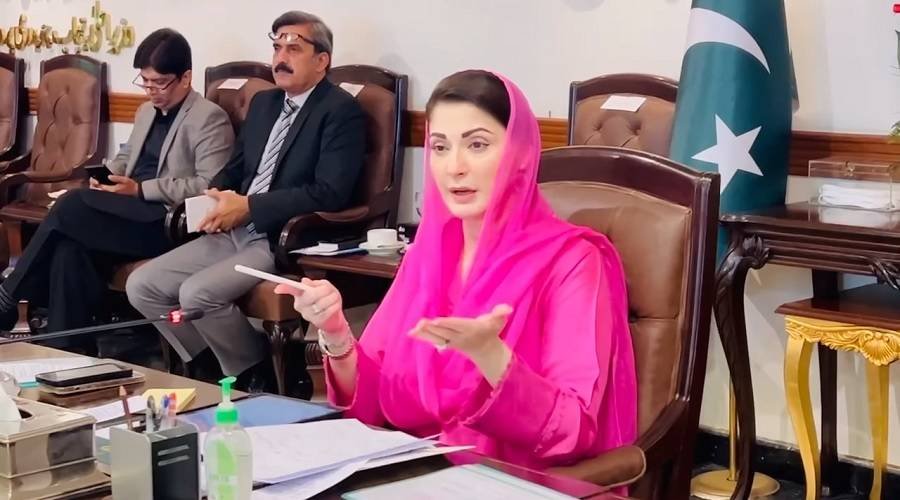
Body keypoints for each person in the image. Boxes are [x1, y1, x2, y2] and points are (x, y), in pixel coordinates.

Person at [274, 70, 637, 470]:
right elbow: (372, 401)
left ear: (519, 154)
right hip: (413, 469)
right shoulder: (426, 254)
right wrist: (336, 331)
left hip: (510, 480)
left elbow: (573, 428)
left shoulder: (572, 261)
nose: (454, 167)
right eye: (440, 147)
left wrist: (491, 356)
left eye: (477, 145)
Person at [126, 11, 366, 391]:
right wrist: (216, 197)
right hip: (232, 227)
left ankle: (258, 372)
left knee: (196, 293)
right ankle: (210, 365)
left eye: (293, 48)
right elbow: (235, 169)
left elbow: (329, 192)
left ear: (322, 60)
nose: (280, 57)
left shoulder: (339, 111)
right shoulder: (265, 103)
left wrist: (251, 207)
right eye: (277, 47)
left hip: (280, 237)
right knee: (143, 285)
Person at [0, 28, 233, 337]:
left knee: (71, 205)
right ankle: (67, 348)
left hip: (167, 221)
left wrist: (139, 189)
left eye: (160, 82)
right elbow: (126, 157)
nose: (151, 91)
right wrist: (105, 178)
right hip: (130, 213)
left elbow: (209, 186)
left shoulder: (209, 118)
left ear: (186, 77)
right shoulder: (146, 111)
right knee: (70, 248)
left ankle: (7, 298)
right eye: (145, 81)